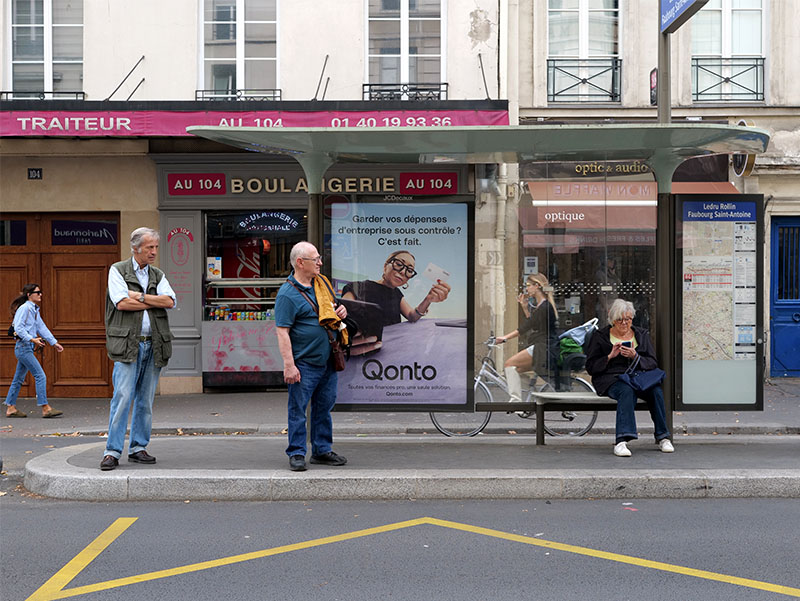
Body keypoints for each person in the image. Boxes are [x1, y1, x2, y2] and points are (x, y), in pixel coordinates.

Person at [100, 227, 176, 471]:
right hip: (127, 344)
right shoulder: (117, 270)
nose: (154, 252)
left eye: (156, 247)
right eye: (149, 248)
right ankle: (112, 451)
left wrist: (141, 297)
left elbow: (170, 301)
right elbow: (121, 303)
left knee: (145, 400)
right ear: (136, 249)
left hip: (153, 344)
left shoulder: (157, 274)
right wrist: (153, 301)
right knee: (122, 398)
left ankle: (138, 448)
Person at [275, 241, 349, 472]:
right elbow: (282, 331)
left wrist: (341, 311)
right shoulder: (287, 294)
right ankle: (297, 452)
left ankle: (322, 450)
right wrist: (289, 365)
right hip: (304, 363)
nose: (320, 262)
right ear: (300, 262)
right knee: (298, 409)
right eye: (315, 259)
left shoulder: (322, 283)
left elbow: (332, 309)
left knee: (323, 408)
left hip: (328, 359)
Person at [584, 298, 674, 457]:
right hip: (612, 378)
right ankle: (621, 441)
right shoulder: (600, 336)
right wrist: (610, 356)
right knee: (626, 391)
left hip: (639, 377)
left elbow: (652, 362)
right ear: (612, 319)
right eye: (620, 320)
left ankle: (663, 437)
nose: (624, 323)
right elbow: (591, 367)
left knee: (655, 390)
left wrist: (635, 356)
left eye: (628, 319)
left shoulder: (641, 334)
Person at [341, 250, 451, 354]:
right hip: (358, 355)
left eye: (409, 270)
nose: (403, 272)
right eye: (398, 264)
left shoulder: (397, 294)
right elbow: (339, 318)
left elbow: (412, 316)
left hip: (391, 354)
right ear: (385, 266)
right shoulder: (357, 287)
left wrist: (428, 299)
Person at [495, 273, 559, 401]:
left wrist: (505, 338)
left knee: (509, 364)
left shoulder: (544, 307)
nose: (527, 289)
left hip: (542, 347)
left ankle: (516, 401)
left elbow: (525, 328)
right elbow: (533, 324)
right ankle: (528, 396)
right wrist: (525, 307)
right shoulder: (542, 306)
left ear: (537, 286)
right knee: (516, 369)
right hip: (543, 346)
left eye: (528, 286)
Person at [4, 284, 64, 418]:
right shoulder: (25, 308)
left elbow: (41, 327)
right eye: (38, 292)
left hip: (26, 347)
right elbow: (18, 329)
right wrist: (33, 339)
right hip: (23, 347)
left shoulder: (34, 310)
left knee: (18, 379)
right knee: (40, 375)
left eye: (40, 292)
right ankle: (45, 408)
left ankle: (11, 407)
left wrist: (54, 343)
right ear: (29, 295)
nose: (40, 294)